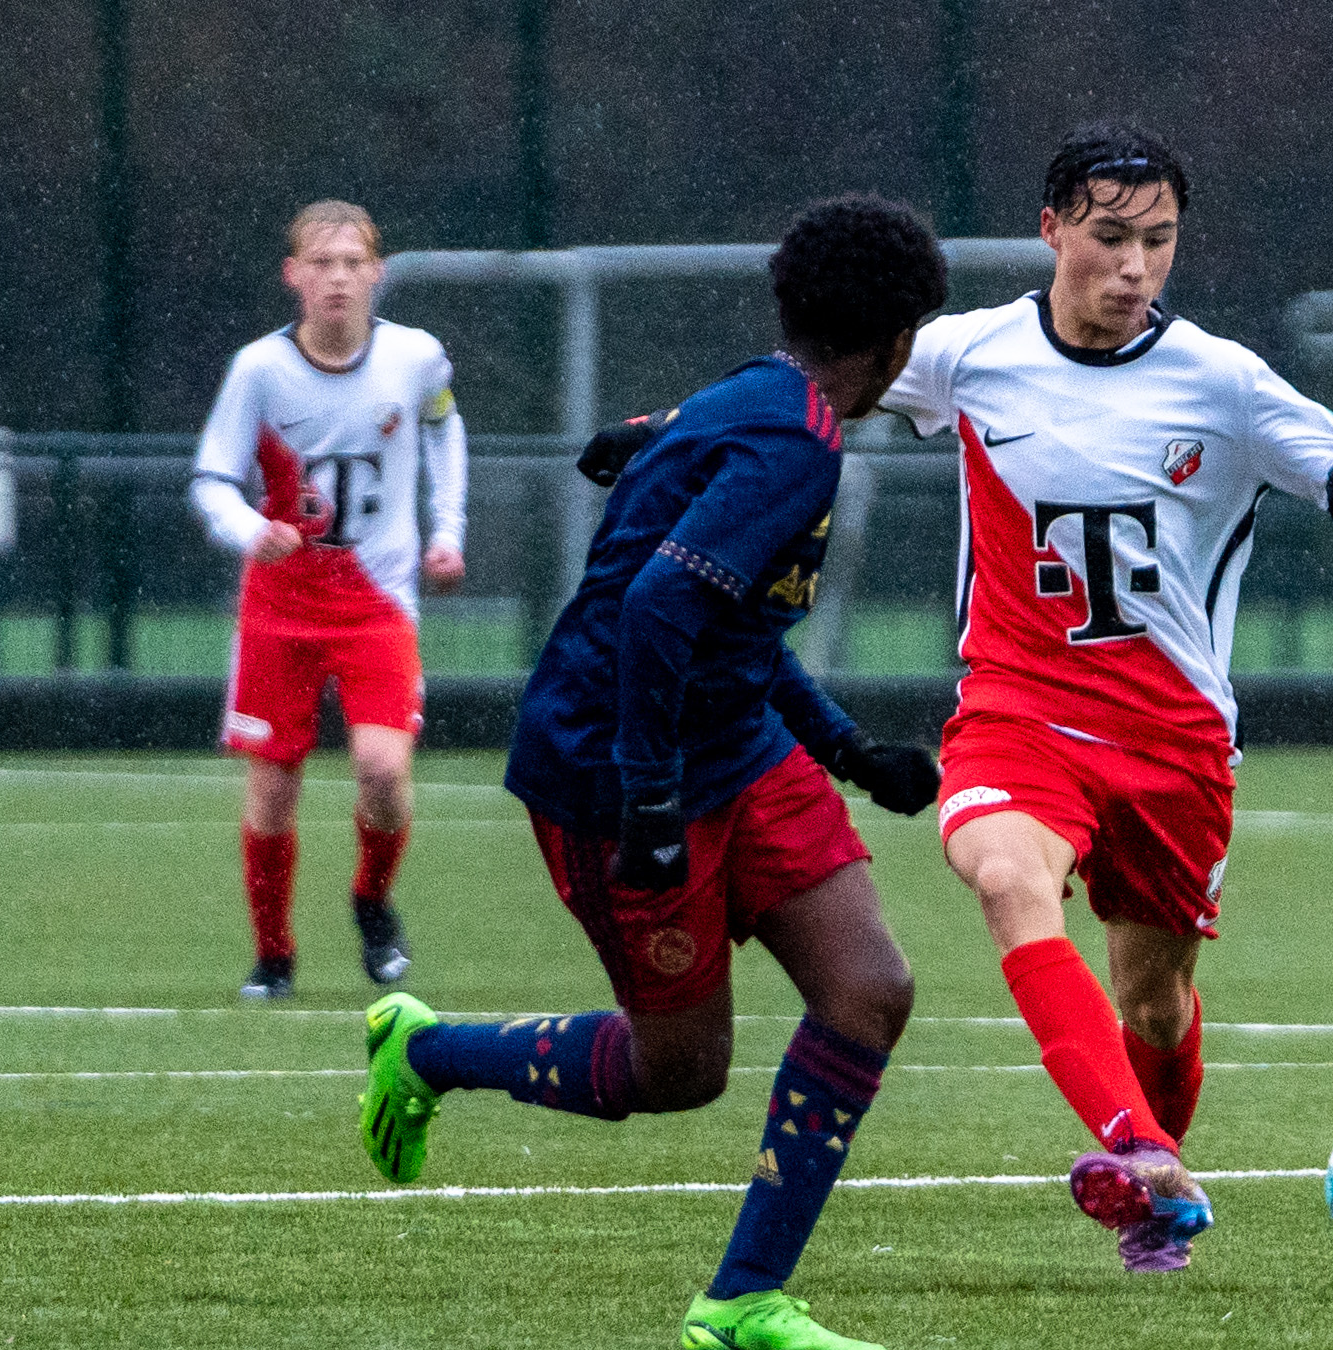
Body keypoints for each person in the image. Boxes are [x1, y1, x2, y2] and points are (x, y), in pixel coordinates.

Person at [356, 195, 949, 1350]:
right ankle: (422, 1050)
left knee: (870, 988)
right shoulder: (794, 442)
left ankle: (739, 1303)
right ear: (891, 346)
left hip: (735, 745)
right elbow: (658, 606)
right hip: (609, 764)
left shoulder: (757, 397)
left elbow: (730, 627)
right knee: (679, 1069)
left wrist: (845, 754)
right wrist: (649, 795)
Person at [881, 122, 1333, 1272]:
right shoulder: (968, 354)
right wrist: (676, 438)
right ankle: (1137, 1152)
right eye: (1110, 238)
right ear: (1051, 230)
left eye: (1158, 242)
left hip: (1171, 746)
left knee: (1156, 1002)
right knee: (1013, 879)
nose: (1134, 267)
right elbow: (821, 384)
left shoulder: (1218, 381)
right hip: (1016, 709)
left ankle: (1159, 1159)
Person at [190, 200, 468, 1001]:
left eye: (353, 262)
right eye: (321, 262)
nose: (338, 277)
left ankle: (371, 903)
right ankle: (273, 957)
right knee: (275, 787)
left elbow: (445, 429)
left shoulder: (415, 359)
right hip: (279, 607)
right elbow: (212, 478)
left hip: (378, 602)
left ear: (378, 272)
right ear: (293, 276)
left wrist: (445, 530)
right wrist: (250, 528)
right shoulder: (260, 371)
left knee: (382, 768)